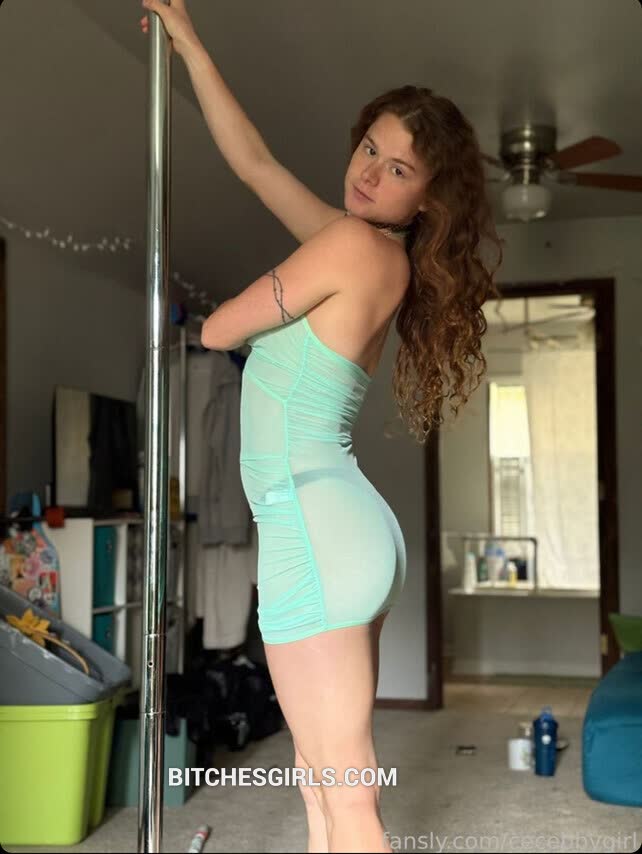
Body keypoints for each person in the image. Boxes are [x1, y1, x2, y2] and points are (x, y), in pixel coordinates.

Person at [140, 3, 503, 851]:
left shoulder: (346, 249)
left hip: (314, 528)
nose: (370, 173)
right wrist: (190, 43)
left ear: (426, 198)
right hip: (339, 524)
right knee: (319, 779)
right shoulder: (371, 252)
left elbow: (220, 329)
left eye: (398, 168)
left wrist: (272, 290)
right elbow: (256, 164)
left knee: (346, 795)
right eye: (368, 148)